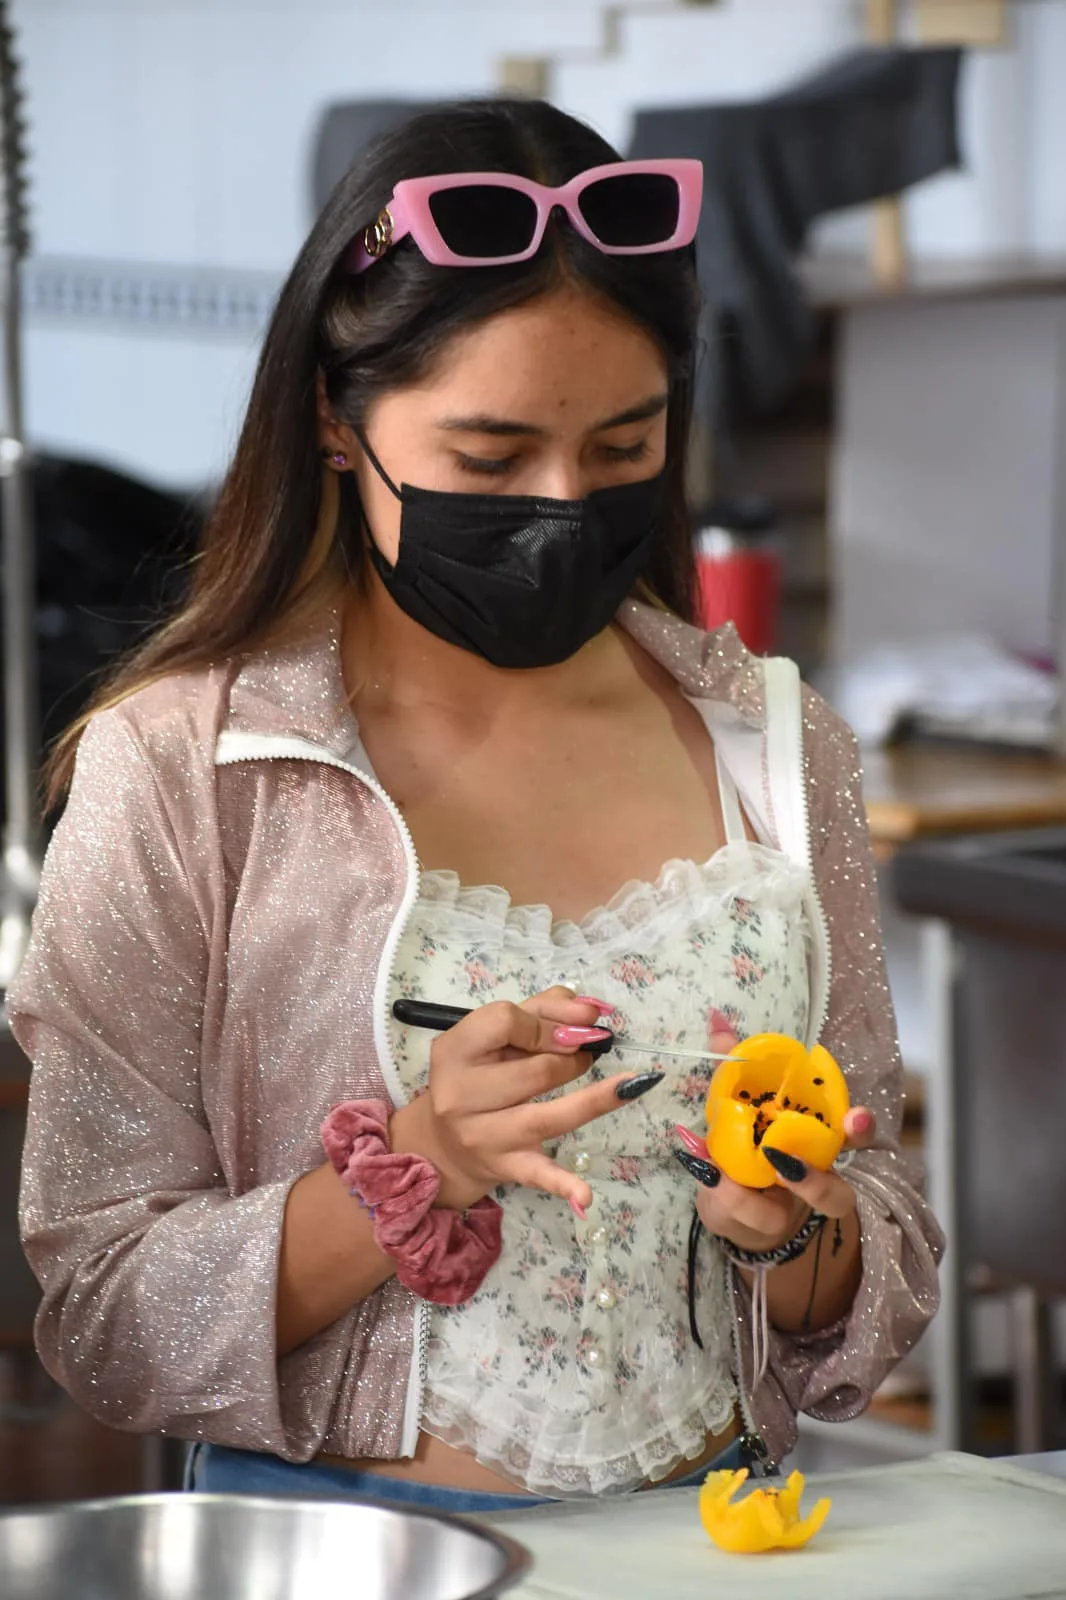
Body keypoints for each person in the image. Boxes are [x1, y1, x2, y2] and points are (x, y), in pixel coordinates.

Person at [10, 98, 942, 1512]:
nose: (562, 505)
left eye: (622, 449)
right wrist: (416, 1173)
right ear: (337, 419)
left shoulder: (771, 740)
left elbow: (877, 1246)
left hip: (712, 1534)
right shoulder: (186, 774)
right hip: (342, 1546)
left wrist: (799, 1239)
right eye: (490, 461)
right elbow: (103, 1314)